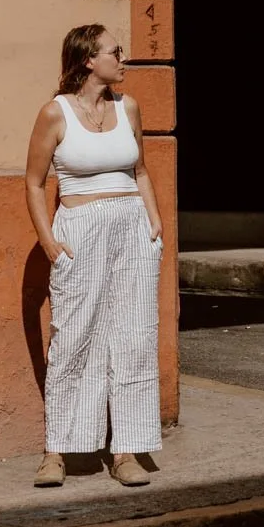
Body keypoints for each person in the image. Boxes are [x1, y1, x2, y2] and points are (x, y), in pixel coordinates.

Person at [24, 24, 165, 489]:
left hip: (132, 231)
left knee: (133, 337)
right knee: (73, 336)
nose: (122, 59)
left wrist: (154, 222)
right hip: (79, 232)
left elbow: (140, 170)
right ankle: (56, 451)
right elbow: (34, 182)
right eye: (114, 52)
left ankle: (125, 449)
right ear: (89, 59)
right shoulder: (55, 113)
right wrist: (48, 240)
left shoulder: (129, 108)